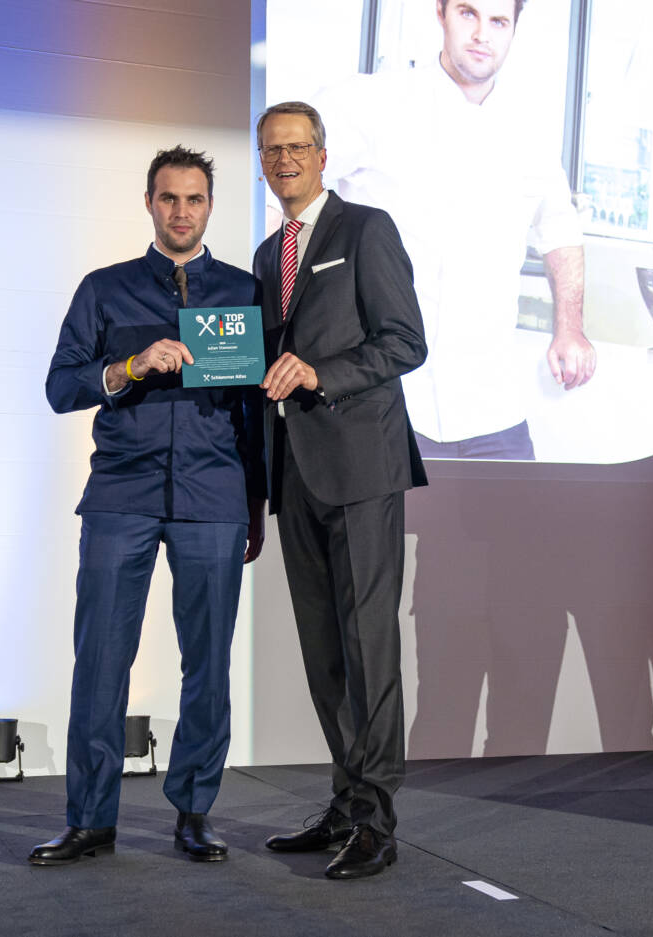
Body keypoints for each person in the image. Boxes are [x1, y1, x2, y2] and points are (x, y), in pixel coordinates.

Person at [32, 145, 264, 866]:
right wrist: (130, 366)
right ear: (149, 202)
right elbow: (60, 386)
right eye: (169, 198)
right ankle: (90, 817)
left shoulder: (245, 292)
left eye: (194, 199)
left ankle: (194, 810)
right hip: (121, 495)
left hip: (214, 495)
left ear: (209, 207)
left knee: (208, 663)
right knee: (99, 658)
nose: (182, 211)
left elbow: (256, 413)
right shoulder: (105, 289)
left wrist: (256, 506)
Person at [253, 101, 426, 879]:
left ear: (322, 156)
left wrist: (325, 373)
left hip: (362, 471)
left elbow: (405, 341)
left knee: (368, 648)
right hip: (296, 477)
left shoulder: (367, 230)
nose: (285, 159)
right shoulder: (266, 255)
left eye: (297, 146)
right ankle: (347, 799)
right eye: (272, 149)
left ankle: (377, 821)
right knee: (324, 656)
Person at [312, 0, 595, 459]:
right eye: (469, 13)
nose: (483, 34)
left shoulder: (530, 131)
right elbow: (285, 184)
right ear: (440, 13)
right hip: (387, 402)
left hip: (493, 409)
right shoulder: (371, 102)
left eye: (498, 21)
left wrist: (570, 328)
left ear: (513, 30)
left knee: (517, 529)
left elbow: (559, 228)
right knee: (381, 532)